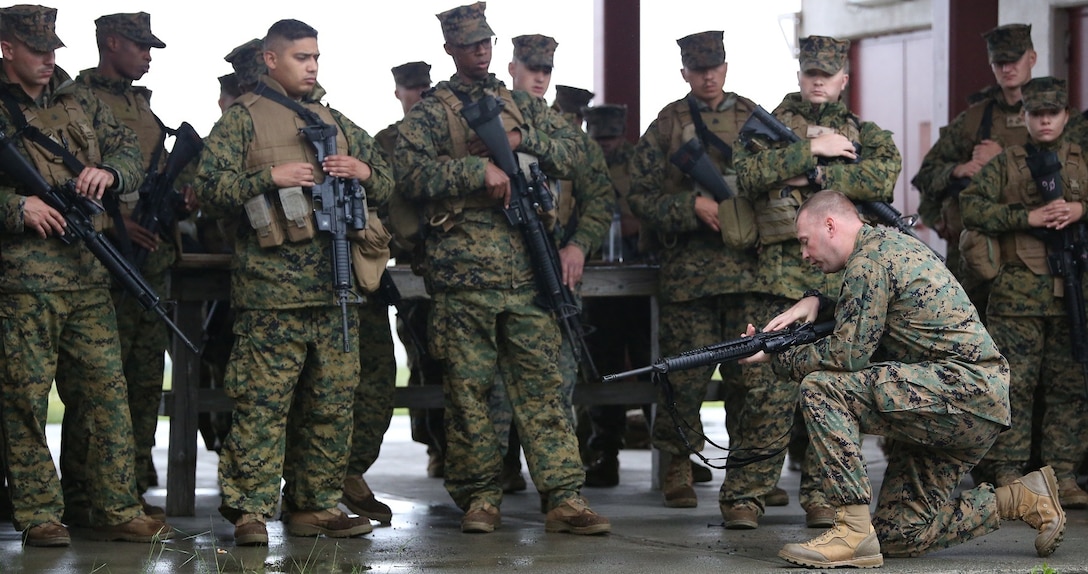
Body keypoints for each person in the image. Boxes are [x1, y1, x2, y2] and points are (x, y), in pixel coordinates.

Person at [742, 189, 1065, 568]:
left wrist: (776, 357)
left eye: (804, 242)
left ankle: (850, 529)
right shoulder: (886, 244)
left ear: (829, 225)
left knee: (823, 387)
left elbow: (847, 354)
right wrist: (818, 300)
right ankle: (1023, 499)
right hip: (962, 401)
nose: (804, 254)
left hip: (958, 394)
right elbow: (868, 312)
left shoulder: (869, 262)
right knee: (898, 534)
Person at [393, 2, 610, 535]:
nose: (481, 51)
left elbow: (577, 156)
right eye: (470, 44)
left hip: (527, 271)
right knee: (469, 393)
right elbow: (406, 175)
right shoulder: (429, 113)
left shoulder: (519, 105)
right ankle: (480, 498)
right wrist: (475, 169)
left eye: (487, 42)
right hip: (463, 277)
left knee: (542, 390)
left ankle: (563, 495)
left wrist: (521, 140)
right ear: (450, 49)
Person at [194, 18, 392, 545]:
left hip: (335, 289)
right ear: (271, 60)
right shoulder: (243, 120)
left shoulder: (334, 120)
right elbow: (207, 188)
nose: (311, 66)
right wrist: (269, 177)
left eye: (316, 57)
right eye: (302, 57)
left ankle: (314, 504)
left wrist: (362, 171)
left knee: (331, 402)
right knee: (263, 404)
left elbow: (390, 179)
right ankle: (251, 511)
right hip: (271, 294)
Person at [0, 3, 174, 546]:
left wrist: (111, 171)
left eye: (54, 51)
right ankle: (39, 514)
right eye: (37, 52)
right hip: (23, 280)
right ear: (7, 49)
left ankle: (113, 506)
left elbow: (127, 148)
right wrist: (16, 208)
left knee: (105, 394)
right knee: (24, 399)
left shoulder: (76, 100)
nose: (49, 61)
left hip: (88, 270)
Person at [726, 34, 902, 530]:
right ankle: (745, 495)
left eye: (828, 74)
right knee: (765, 394)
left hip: (842, 281)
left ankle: (825, 495)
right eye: (811, 73)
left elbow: (882, 180)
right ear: (800, 75)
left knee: (834, 387)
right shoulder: (769, 126)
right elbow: (748, 174)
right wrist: (811, 150)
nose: (818, 81)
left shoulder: (868, 133)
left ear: (844, 79)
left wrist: (815, 179)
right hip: (780, 275)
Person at [59, 11, 195, 526]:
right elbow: (65, 179)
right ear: (111, 42)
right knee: (93, 385)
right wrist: (116, 230)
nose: (148, 55)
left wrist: (183, 197)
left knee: (140, 382)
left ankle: (129, 487)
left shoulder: (143, 105)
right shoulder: (76, 100)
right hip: (103, 261)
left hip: (149, 261)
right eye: (140, 45)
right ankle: (81, 493)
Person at [627, 30, 759, 510]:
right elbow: (638, 194)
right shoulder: (668, 124)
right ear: (685, 72)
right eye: (698, 69)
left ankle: (749, 475)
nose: (708, 76)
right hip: (690, 277)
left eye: (715, 67)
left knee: (750, 380)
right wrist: (691, 206)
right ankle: (678, 466)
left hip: (748, 272)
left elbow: (779, 182)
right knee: (684, 378)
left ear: (726, 67)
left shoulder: (752, 118)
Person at [960, 77, 1088, 508]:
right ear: (1027, 117)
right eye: (1037, 113)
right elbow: (971, 207)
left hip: (1074, 293)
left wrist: (1080, 209)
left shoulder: (1081, 159)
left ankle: (1062, 475)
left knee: (1069, 387)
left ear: (1066, 115)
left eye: (1054, 112)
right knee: (1013, 386)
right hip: (1017, 296)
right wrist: (1027, 217)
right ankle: (1009, 472)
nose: (1046, 120)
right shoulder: (1006, 163)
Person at [494, 35, 613, 497]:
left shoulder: (567, 133)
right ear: (512, 67)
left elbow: (599, 196)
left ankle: (561, 487)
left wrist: (579, 245)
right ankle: (499, 472)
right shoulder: (492, 120)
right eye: (531, 67)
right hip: (501, 274)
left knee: (558, 382)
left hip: (553, 274)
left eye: (547, 68)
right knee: (496, 387)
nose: (540, 77)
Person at [912, 24, 1037, 323]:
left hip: (1031, 254)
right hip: (974, 254)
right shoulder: (974, 119)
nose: (1007, 68)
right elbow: (926, 175)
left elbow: (1067, 173)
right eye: (999, 62)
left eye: (1014, 60)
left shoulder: (1050, 114)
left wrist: (1002, 157)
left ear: (1031, 58)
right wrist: (957, 170)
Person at [375, 61, 449, 480]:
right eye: (411, 88)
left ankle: (465, 451)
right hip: (406, 264)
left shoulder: (445, 139)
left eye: (424, 87)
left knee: (458, 362)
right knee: (421, 357)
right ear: (398, 92)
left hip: (452, 258)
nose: (418, 94)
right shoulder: (385, 142)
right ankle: (434, 444)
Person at [580, 103, 654, 487]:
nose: (605, 145)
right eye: (599, 138)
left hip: (637, 275)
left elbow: (654, 202)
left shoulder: (639, 160)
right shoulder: (583, 158)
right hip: (596, 278)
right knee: (602, 366)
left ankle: (670, 450)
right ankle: (604, 450)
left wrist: (635, 222)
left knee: (651, 361)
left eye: (610, 137)